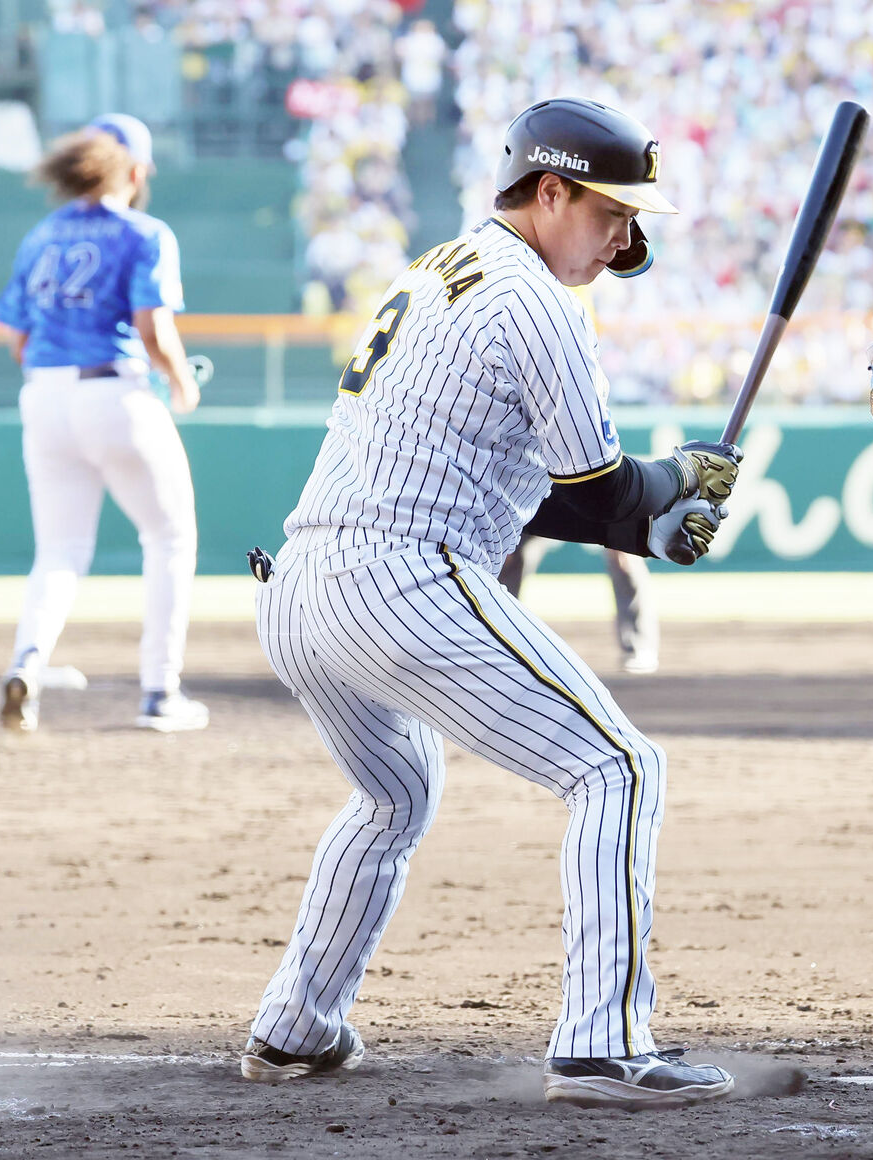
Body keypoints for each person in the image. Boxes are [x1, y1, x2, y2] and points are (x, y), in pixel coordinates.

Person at [241, 97, 742, 1109]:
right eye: (612, 212)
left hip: (301, 588)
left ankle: (296, 1026)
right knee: (618, 765)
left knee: (395, 791)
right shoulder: (537, 301)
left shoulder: (442, 269)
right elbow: (600, 484)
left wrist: (654, 519)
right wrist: (678, 476)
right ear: (549, 190)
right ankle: (603, 1044)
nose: (625, 237)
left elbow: (533, 488)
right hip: (400, 580)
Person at [0, 113, 208, 734]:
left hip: (43, 395)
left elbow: (18, 340)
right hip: (113, 392)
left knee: (58, 550)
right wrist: (181, 381)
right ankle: (160, 692)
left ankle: (27, 666)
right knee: (169, 539)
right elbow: (152, 328)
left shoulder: (39, 236)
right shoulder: (144, 232)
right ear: (135, 170)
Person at [499, 535, 660, 674]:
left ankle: (640, 648)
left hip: (601, 500)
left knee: (625, 555)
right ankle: (499, 642)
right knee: (512, 551)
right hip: (548, 500)